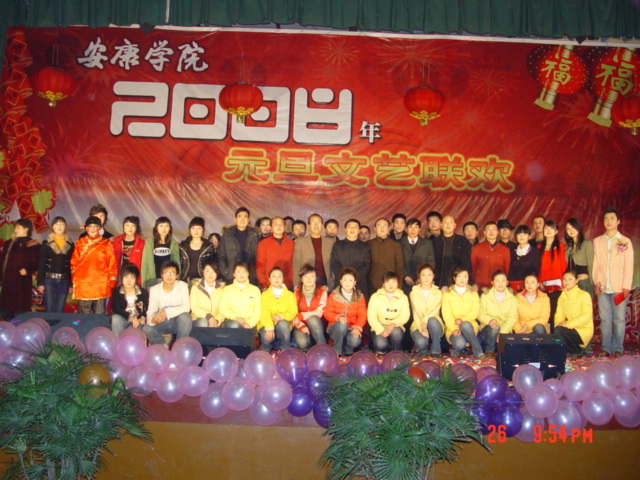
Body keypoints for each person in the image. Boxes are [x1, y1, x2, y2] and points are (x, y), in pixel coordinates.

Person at [592, 207, 634, 358]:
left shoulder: (625, 241)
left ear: (618, 221)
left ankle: (618, 348)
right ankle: (606, 348)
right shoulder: (597, 241)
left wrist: (626, 287)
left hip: (619, 287)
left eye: (612, 218)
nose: (609, 221)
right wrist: (597, 283)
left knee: (619, 319)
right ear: (603, 221)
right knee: (605, 320)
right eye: (606, 218)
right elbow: (595, 264)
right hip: (603, 288)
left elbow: (629, 266)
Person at [70, 216, 118, 314]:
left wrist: (111, 281)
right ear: (86, 228)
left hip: (100, 284)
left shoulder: (106, 243)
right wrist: (76, 278)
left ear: (100, 228)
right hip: (84, 284)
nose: (92, 229)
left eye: (95, 226)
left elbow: (112, 263)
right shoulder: (80, 242)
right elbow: (74, 262)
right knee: (84, 315)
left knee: (99, 315)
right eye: (90, 226)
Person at [142, 260, 192, 346]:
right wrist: (153, 320)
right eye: (166, 273)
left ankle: (180, 346)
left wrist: (166, 312)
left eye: (172, 273)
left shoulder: (183, 286)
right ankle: (163, 345)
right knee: (146, 328)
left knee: (186, 317)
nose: (169, 276)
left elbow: (186, 307)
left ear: (177, 275)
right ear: (161, 275)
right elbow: (150, 312)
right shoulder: (154, 290)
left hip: (177, 322)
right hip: (162, 322)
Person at [441, 266, 485, 359]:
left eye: (465, 276)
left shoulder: (473, 292)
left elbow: (475, 311)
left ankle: (478, 351)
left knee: (465, 324)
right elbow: (446, 314)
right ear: (454, 278)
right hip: (453, 326)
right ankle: (457, 348)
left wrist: (462, 320)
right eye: (459, 276)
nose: (462, 279)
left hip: (469, 326)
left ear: (468, 278)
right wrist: (454, 328)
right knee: (460, 343)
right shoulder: (447, 293)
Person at [0, 218, 41, 318]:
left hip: (22, 282)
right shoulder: (9, 243)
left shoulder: (34, 245)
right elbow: (2, 261)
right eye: (15, 228)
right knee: (5, 312)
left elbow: (36, 262)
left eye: (18, 228)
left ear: (26, 229)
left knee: (20, 313)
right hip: (8, 282)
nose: (15, 230)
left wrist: (27, 270)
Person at [324, 267, 366, 356]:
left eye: (350, 280)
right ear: (340, 281)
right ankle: (337, 350)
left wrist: (357, 327)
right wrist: (338, 317)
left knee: (355, 340)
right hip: (336, 327)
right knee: (342, 324)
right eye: (345, 280)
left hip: (351, 327)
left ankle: (348, 350)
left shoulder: (360, 296)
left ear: (354, 282)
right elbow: (327, 312)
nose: (347, 283)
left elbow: (362, 315)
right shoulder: (333, 295)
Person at [37, 216, 74, 313]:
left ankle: (59, 323)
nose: (59, 227)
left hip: (64, 280)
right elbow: (41, 262)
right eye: (57, 224)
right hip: (49, 279)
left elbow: (71, 265)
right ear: (52, 226)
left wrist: (71, 284)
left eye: (62, 224)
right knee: (49, 307)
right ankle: (49, 323)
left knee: (60, 307)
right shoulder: (46, 242)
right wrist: (40, 282)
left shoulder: (70, 244)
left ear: (65, 226)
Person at [367, 272, 410, 353]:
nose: (391, 285)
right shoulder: (375, 297)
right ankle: (384, 348)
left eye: (393, 282)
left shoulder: (403, 297)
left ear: (398, 284)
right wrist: (381, 330)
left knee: (396, 332)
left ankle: (396, 351)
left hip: (395, 326)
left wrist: (393, 324)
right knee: (381, 345)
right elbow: (371, 317)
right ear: (383, 284)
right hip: (380, 327)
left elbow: (405, 315)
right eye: (388, 282)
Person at [478, 270, 518, 358]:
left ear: (507, 282)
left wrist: (502, 334)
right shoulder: (485, 296)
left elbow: (511, 319)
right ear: (492, 283)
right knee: (494, 326)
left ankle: (499, 350)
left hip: (504, 330)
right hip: (487, 329)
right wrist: (490, 320)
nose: (500, 283)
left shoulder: (512, 299)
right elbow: (480, 314)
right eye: (497, 281)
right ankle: (489, 351)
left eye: (503, 281)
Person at [554, 269, 594, 358]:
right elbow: (559, 314)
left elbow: (586, 315)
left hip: (583, 329)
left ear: (576, 280)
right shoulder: (562, 296)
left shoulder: (584, 295)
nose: (567, 282)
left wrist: (568, 324)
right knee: (557, 330)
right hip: (569, 328)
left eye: (570, 279)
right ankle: (570, 351)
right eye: (565, 279)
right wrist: (558, 324)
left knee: (559, 331)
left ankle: (577, 351)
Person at [258, 267, 298, 351]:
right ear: (269, 279)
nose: (276, 279)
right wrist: (269, 327)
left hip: (283, 327)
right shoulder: (264, 295)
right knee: (267, 337)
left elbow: (293, 312)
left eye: (279, 276)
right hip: (266, 325)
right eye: (274, 276)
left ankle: (285, 349)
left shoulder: (290, 295)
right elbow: (264, 312)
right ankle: (266, 349)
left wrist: (281, 316)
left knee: (283, 324)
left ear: (283, 279)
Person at [329, 219, 372, 297]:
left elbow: (366, 265)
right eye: (349, 227)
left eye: (355, 227)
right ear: (345, 230)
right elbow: (334, 263)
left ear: (359, 230)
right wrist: (344, 279)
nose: (352, 229)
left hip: (359, 284)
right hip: (341, 283)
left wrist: (353, 280)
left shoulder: (365, 247)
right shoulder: (337, 245)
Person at [218, 207, 260, 284]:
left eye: (245, 217)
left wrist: (256, 273)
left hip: (250, 275)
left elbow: (259, 256)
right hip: (231, 275)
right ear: (235, 219)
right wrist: (225, 271)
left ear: (248, 219)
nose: (242, 219)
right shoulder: (227, 235)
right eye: (240, 216)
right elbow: (221, 255)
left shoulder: (255, 235)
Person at [292, 213, 335, 288]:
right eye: (313, 223)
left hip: (325, 280)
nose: (316, 225)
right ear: (308, 226)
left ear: (322, 226)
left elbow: (334, 264)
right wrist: (296, 284)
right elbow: (296, 264)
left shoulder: (330, 242)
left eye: (318, 223)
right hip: (307, 279)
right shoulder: (300, 242)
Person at [409, 263, 444, 356]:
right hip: (418, 324)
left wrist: (425, 321)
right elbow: (416, 313)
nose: (426, 278)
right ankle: (423, 349)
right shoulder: (413, 293)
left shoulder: (438, 292)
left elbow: (434, 311)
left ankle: (436, 350)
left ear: (433, 276)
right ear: (419, 276)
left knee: (432, 320)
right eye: (423, 275)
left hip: (434, 324)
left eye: (429, 275)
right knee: (421, 342)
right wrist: (422, 328)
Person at [536, 220, 566, 324]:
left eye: (551, 228)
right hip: (544, 286)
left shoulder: (561, 246)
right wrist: (539, 282)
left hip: (557, 286)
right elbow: (538, 267)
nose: (548, 230)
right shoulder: (539, 247)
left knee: (555, 313)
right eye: (546, 228)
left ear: (556, 231)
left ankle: (554, 333)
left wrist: (564, 283)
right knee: (544, 313)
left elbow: (563, 265)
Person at [292, 265, 327, 350]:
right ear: (301, 278)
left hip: (317, 324)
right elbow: (293, 312)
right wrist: (301, 326)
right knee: (302, 343)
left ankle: (322, 347)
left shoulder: (322, 291)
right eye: (305, 276)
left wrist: (302, 315)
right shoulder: (296, 292)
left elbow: (320, 312)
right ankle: (309, 346)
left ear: (316, 278)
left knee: (313, 319)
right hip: (301, 323)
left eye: (312, 276)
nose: (308, 279)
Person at [367, 217, 404, 299]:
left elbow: (399, 267)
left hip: (390, 285)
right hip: (372, 284)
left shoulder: (395, 245)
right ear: (375, 229)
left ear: (388, 228)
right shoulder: (368, 244)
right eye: (379, 226)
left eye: (384, 225)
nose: (382, 228)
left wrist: (398, 285)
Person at [218, 262, 261, 329]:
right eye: (238, 271)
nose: (241, 274)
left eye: (244, 271)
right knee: (235, 325)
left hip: (249, 323)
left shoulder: (255, 290)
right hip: (232, 321)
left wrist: (250, 324)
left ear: (248, 273)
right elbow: (222, 308)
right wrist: (235, 317)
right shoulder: (227, 289)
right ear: (234, 274)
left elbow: (257, 312)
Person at [432, 215, 472, 288]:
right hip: (439, 280)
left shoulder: (462, 241)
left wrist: (468, 280)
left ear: (455, 225)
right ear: (441, 225)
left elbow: (467, 263)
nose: (448, 225)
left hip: (458, 280)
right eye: (445, 222)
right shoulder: (435, 242)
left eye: (450, 222)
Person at [256, 216, 295, 290]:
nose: (279, 226)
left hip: (288, 284)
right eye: (276, 224)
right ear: (271, 227)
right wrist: (263, 284)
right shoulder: (263, 244)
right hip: (269, 285)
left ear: (284, 227)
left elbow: (295, 264)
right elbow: (260, 266)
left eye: (281, 224)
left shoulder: (291, 243)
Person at [141, 216, 181, 287]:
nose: (164, 228)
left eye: (166, 226)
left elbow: (177, 263)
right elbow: (145, 263)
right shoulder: (149, 243)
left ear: (170, 228)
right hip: (153, 280)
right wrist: (143, 282)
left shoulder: (174, 244)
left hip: (169, 280)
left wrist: (177, 280)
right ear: (156, 228)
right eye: (161, 226)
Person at [110, 263, 148, 335]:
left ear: (136, 279)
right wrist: (131, 318)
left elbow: (147, 308)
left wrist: (143, 317)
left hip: (137, 320)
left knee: (138, 328)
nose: (129, 281)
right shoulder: (116, 291)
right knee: (115, 318)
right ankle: (117, 340)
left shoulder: (143, 292)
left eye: (132, 278)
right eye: (126, 277)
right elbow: (115, 309)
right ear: (122, 278)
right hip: (123, 318)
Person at [471, 221, 510, 290]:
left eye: (494, 229)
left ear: (497, 232)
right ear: (484, 233)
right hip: (481, 285)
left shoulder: (505, 249)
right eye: (488, 230)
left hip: (498, 287)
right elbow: (473, 268)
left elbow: (506, 269)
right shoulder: (476, 248)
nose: (491, 232)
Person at [400, 218, 435, 294]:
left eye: (416, 227)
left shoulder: (427, 243)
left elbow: (431, 262)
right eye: (410, 227)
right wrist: (405, 276)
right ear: (406, 229)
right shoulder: (399, 244)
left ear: (420, 229)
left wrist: (421, 277)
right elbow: (397, 263)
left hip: (423, 282)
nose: (413, 230)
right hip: (403, 283)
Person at [179, 216, 216, 285]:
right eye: (193, 228)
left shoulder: (208, 247)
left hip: (202, 280)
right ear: (190, 230)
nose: (196, 231)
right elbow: (179, 264)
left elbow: (212, 266)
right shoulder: (182, 246)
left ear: (203, 230)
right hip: (185, 280)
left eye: (199, 228)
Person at [564, 218, 594, 299]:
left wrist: (592, 284)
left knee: (585, 306)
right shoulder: (567, 246)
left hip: (583, 282)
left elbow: (591, 265)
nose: (571, 230)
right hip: (571, 283)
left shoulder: (587, 244)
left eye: (573, 227)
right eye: (568, 229)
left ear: (578, 227)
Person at [190, 262, 225, 327]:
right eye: (207, 271)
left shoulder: (221, 290)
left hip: (215, 322)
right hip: (198, 320)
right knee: (204, 322)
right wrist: (209, 317)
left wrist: (216, 320)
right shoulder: (196, 287)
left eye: (213, 271)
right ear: (203, 272)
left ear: (217, 273)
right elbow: (194, 307)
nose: (210, 274)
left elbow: (222, 310)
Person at [508, 225, 541, 292]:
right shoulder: (512, 251)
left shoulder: (534, 252)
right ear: (516, 236)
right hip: (514, 287)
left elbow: (537, 271)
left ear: (529, 236)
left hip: (529, 288)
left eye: (525, 234)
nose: (521, 237)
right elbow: (510, 270)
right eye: (519, 234)